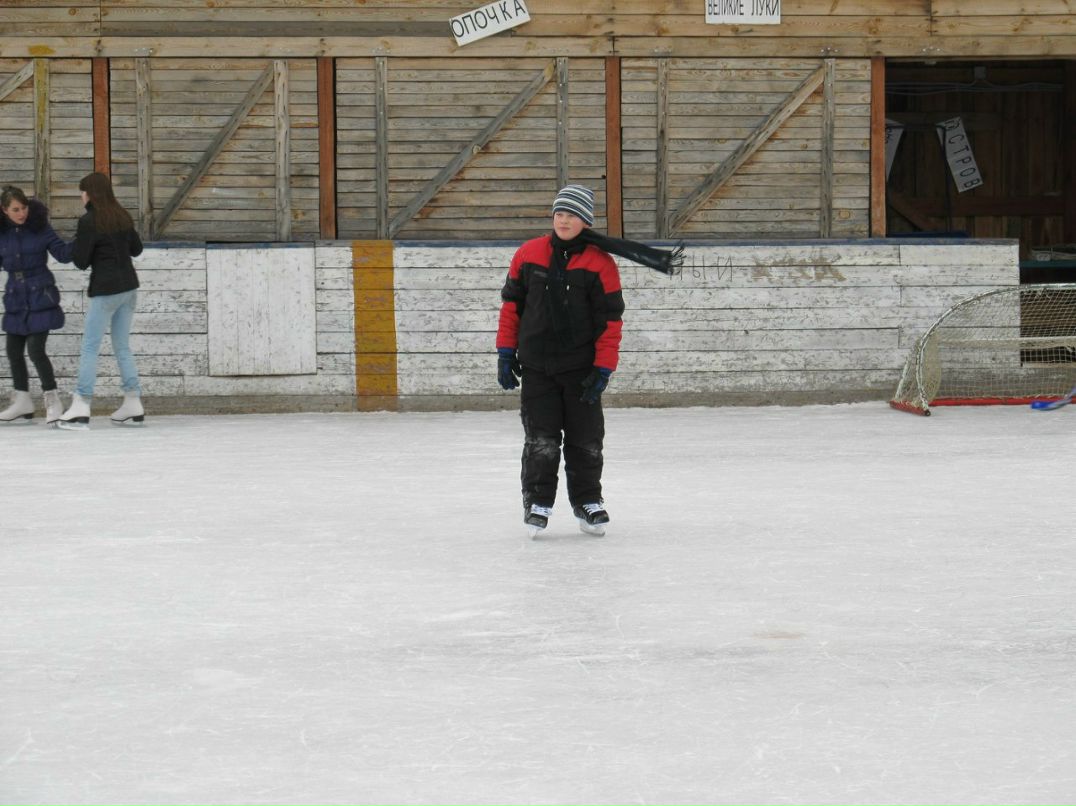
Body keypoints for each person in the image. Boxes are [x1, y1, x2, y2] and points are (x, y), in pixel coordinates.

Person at [496, 184, 682, 537]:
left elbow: (610, 322)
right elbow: (511, 307)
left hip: (580, 369)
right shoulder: (528, 254)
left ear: (585, 221)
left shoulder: (600, 264)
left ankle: (587, 502)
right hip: (537, 367)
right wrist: (506, 352)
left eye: (572, 215)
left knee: (586, 440)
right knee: (541, 439)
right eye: (559, 214)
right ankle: (537, 502)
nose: (564, 221)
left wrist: (603, 367)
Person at [58, 172, 145, 430]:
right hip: (128, 288)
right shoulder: (122, 215)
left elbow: (81, 261)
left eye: (82, 193)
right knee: (122, 347)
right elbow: (137, 249)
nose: (81, 197)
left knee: (90, 347)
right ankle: (133, 401)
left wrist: (77, 244)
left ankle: (81, 404)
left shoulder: (89, 221)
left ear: (90, 194)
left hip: (106, 290)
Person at [0, 185, 74, 426]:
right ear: (4, 210)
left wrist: (83, 238)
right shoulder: (2, 233)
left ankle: (53, 399)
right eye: (16, 209)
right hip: (15, 296)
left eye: (24, 208)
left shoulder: (40, 227)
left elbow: (62, 254)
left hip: (40, 295)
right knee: (13, 351)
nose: (22, 213)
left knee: (35, 349)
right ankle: (22, 401)